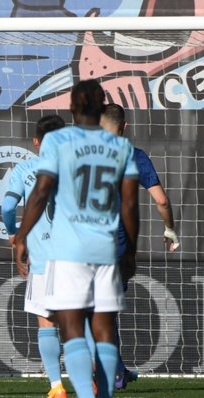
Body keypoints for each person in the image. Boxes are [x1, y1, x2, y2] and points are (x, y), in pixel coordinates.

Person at [14, 79, 140, 398]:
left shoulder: (58, 141)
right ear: (102, 107)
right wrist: (130, 252)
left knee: (71, 328)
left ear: (71, 106)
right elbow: (129, 204)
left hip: (68, 250)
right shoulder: (121, 147)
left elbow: (41, 191)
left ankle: (85, 394)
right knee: (103, 329)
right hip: (105, 247)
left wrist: (21, 236)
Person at [99, 103, 180, 390]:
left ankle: (112, 369)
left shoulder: (82, 156)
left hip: (80, 241)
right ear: (125, 127)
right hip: (117, 244)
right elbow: (162, 201)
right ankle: (111, 372)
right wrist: (170, 229)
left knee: (87, 310)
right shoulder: (135, 156)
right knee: (105, 310)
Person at [2, 114, 67, 398]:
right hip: (80, 257)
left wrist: (14, 234)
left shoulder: (25, 169)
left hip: (43, 257)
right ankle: (93, 377)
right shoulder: (80, 169)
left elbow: (6, 207)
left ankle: (57, 386)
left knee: (46, 321)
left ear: (36, 142)